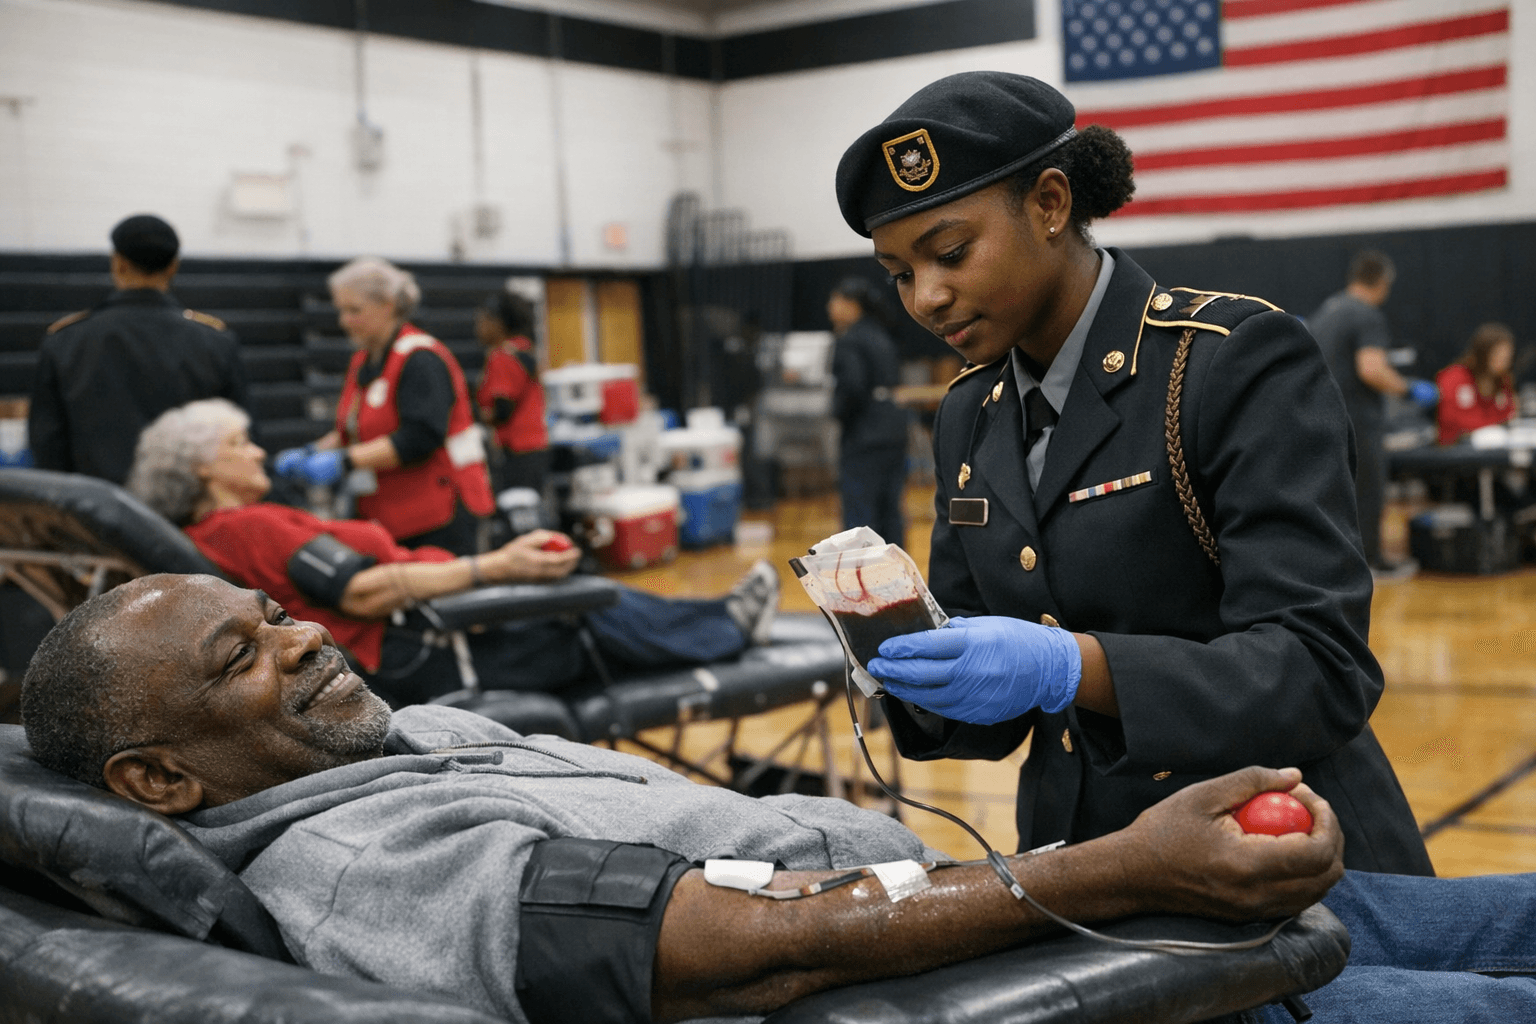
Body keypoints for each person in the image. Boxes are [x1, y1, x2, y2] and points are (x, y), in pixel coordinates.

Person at [19, 574, 1536, 1024]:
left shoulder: (408, 739)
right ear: (158, 777)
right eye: (242, 655)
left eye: (274, 614)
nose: (301, 636)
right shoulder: (360, 861)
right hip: (1087, 969)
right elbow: (750, 945)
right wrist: (1108, 872)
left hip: (1071, 909)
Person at [832, 71, 1431, 875]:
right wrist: (901, 660)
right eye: (899, 274)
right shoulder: (967, 414)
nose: (929, 297)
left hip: (1282, 861)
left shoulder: (1228, 363)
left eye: (950, 252)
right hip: (1087, 871)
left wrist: (1070, 667)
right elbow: (991, 713)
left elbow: (1319, 672)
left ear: (1050, 205)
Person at [127, 399, 780, 708]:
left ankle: (715, 615)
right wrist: (499, 567)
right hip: (431, 654)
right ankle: (725, 625)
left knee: (566, 587)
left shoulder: (206, 540)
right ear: (205, 469)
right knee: (582, 599)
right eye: (241, 444)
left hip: (409, 647)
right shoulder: (246, 527)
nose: (260, 452)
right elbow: (361, 592)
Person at [273, 257, 495, 556]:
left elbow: (419, 438)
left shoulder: (421, 358)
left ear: (388, 305)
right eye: (341, 310)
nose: (343, 321)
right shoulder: (363, 360)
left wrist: (345, 461)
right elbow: (354, 429)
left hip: (439, 511)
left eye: (354, 310)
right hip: (392, 512)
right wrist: (313, 451)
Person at [27, 213, 248, 485]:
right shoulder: (215, 342)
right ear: (173, 267)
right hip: (191, 517)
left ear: (117, 263)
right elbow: (241, 439)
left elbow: (48, 448)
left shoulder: (65, 342)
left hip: (96, 514)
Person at [1308, 250, 1438, 573]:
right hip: (1359, 420)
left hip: (1322, 417)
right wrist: (1409, 390)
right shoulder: (1366, 315)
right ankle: (1371, 561)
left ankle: (1336, 564)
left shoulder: (1327, 310)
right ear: (1382, 282)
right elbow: (1371, 369)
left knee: (1336, 494)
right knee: (1368, 490)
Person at [828, 276, 911, 546]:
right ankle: (899, 579)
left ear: (852, 305)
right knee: (890, 510)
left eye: (836, 300)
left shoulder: (850, 339)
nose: (830, 306)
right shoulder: (880, 333)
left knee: (861, 516)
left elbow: (852, 386)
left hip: (864, 434)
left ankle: (864, 582)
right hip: (893, 429)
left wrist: (838, 413)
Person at [475, 290, 550, 494]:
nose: (478, 328)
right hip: (536, 447)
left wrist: (476, 415)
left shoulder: (502, 357)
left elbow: (502, 411)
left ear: (498, 324)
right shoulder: (525, 349)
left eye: (483, 321)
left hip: (516, 451)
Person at [1436, 323, 1517, 446]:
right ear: (1482, 353)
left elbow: (1508, 414)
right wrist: (1490, 425)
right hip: (1455, 451)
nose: (1503, 363)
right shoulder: (1453, 377)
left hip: (1492, 449)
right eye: (1497, 356)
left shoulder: (1503, 380)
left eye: (1506, 358)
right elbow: (1450, 420)